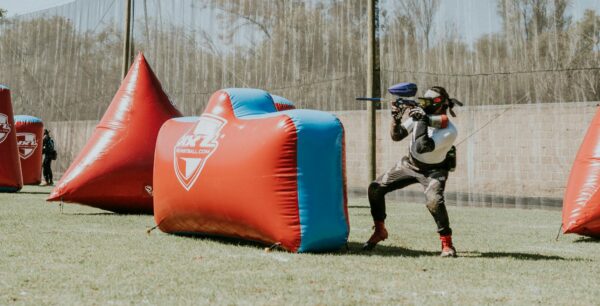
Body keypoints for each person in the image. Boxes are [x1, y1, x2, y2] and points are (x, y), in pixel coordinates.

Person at [363, 86, 460, 257]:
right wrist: (396, 119)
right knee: (375, 188)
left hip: (434, 171)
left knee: (434, 201)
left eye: (428, 102)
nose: (424, 105)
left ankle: (447, 245)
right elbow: (397, 135)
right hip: (410, 164)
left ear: (439, 104)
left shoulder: (449, 131)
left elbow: (421, 147)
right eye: (423, 101)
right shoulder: (421, 116)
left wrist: (421, 119)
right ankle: (380, 230)